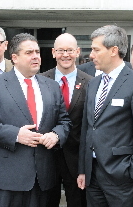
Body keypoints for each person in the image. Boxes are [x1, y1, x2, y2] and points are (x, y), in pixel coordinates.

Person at [0, 33, 71, 207]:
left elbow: (64, 122)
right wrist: (16, 135)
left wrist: (56, 135)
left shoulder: (52, 86)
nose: (35, 56)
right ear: (15, 58)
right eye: (29, 52)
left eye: (37, 52)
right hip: (4, 179)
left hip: (42, 179)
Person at [77, 25, 133, 207]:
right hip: (93, 174)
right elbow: (87, 128)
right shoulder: (94, 83)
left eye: (96, 50)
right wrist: (83, 169)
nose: (91, 55)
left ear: (113, 50)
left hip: (122, 176)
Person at [41, 33, 92, 207]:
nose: (65, 55)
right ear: (53, 52)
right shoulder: (40, 80)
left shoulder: (91, 83)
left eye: (70, 50)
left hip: (77, 160)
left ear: (77, 52)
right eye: (61, 50)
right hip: (47, 156)